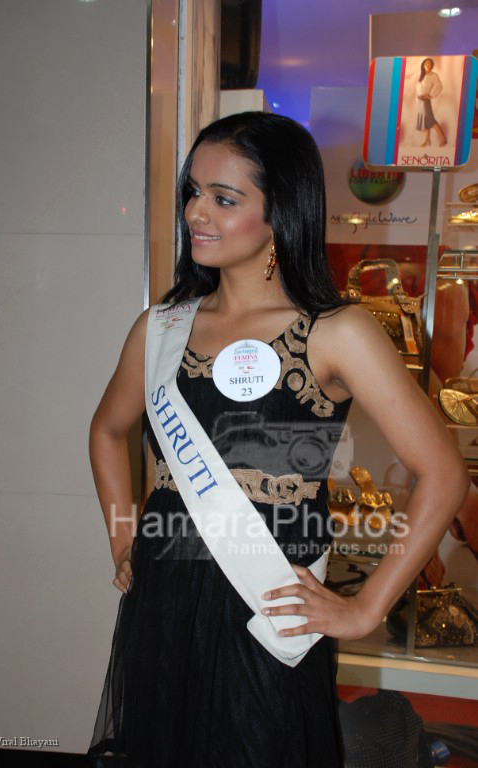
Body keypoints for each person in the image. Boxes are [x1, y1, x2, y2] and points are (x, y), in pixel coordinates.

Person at [86, 112, 468, 768]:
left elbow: (444, 474)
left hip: (271, 603)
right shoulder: (161, 327)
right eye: (193, 192)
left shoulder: (334, 331)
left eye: (223, 198)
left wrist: (365, 607)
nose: (196, 212)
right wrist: (125, 538)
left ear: (281, 211)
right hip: (166, 599)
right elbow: (106, 428)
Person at [415, 57, 447, 147]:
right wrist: (417, 96)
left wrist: (431, 95)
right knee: (425, 121)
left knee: (431, 120)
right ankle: (427, 140)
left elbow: (439, 86)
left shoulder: (433, 75)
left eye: (429, 63)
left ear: (432, 65)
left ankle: (443, 139)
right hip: (419, 101)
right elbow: (418, 88)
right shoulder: (421, 75)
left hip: (426, 100)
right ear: (423, 65)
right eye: (426, 63)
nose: (427, 65)